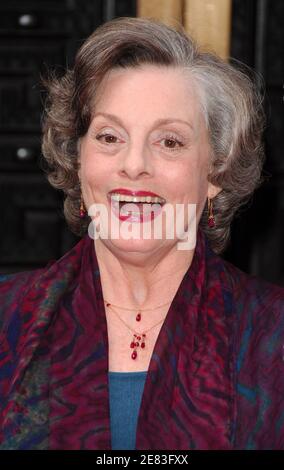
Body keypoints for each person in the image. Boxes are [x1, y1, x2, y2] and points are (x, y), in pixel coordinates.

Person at [0, 16, 283, 451]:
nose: (133, 165)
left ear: (216, 172)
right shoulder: (7, 319)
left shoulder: (273, 334)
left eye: (170, 142)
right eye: (110, 136)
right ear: (79, 162)